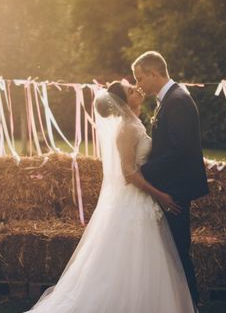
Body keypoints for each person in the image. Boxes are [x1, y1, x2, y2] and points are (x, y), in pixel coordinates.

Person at [26, 80, 197, 313]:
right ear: (124, 101)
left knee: (143, 259)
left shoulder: (135, 122)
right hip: (135, 201)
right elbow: (129, 174)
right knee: (133, 255)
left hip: (142, 200)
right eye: (130, 90)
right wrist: (161, 196)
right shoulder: (126, 130)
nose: (137, 88)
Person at [133, 51, 209, 307]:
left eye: (140, 78)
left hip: (175, 188)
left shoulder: (177, 100)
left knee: (177, 250)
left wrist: (144, 173)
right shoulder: (169, 99)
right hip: (169, 185)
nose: (138, 85)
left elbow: (179, 150)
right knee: (170, 249)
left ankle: (191, 303)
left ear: (155, 74)